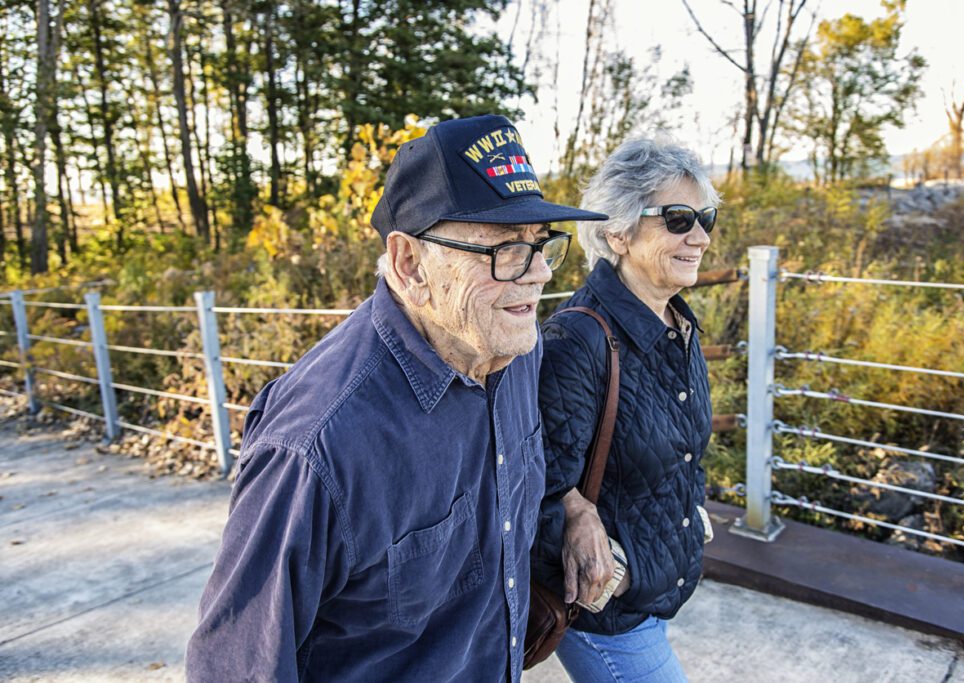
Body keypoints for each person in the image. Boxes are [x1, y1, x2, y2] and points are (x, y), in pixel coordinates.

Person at [185, 115, 606, 682]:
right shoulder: (317, 446)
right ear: (410, 263)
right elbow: (236, 668)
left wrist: (574, 509)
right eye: (505, 250)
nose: (535, 276)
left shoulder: (514, 348)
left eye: (540, 245)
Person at [531, 139, 719, 682]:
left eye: (703, 218)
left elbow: (682, 455)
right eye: (678, 219)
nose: (700, 237)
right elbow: (532, 478)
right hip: (609, 616)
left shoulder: (676, 326)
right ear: (618, 231)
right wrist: (581, 523)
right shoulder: (579, 339)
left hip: (657, 591)